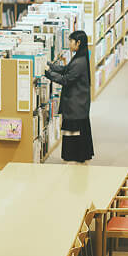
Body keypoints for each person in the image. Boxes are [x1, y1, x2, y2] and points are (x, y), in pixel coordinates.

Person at [46, 29, 94, 163]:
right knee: (78, 131)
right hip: (78, 102)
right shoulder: (80, 57)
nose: (69, 44)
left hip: (75, 103)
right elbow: (65, 69)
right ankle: (78, 155)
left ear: (78, 43)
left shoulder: (79, 62)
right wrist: (50, 66)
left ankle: (74, 156)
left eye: (71, 41)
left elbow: (66, 79)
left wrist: (49, 74)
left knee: (73, 131)